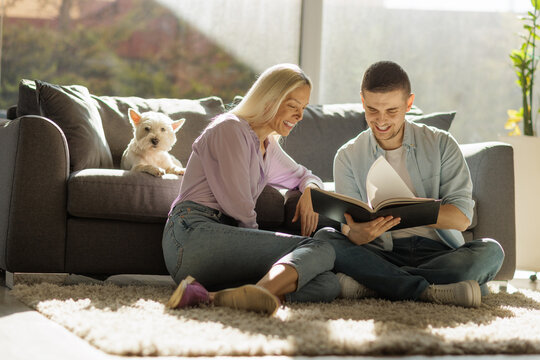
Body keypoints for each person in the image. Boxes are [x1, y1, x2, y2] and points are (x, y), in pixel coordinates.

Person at [313, 60, 504, 308]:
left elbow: (461, 219)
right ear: (362, 101)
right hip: (381, 253)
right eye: (372, 110)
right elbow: (349, 229)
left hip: (439, 253)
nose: (381, 121)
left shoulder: (441, 144)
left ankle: (377, 285)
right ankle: (430, 290)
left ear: (409, 103)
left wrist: (414, 212)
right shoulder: (348, 156)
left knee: (491, 252)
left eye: (392, 111)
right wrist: (357, 235)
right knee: (326, 238)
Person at [162, 63, 340, 316]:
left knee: (326, 284)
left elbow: (306, 175)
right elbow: (239, 205)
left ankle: (214, 297)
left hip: (221, 243)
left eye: (303, 108)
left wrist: (310, 191)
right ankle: (259, 292)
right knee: (320, 249)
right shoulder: (230, 129)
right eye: (293, 105)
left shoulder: (267, 145)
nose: (300, 116)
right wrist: (259, 249)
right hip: (192, 236)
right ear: (270, 99)